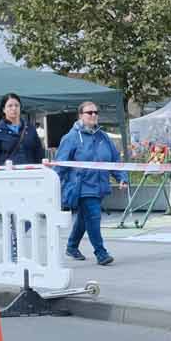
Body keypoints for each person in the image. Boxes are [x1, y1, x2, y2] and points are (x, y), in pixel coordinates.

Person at [54, 100, 124, 266]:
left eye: (96, 112)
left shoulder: (103, 137)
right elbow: (60, 165)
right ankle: (101, 253)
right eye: (89, 112)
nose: (93, 115)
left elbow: (114, 160)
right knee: (93, 216)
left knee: (84, 219)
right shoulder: (71, 138)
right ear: (81, 116)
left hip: (100, 185)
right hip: (81, 187)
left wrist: (122, 177)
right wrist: (53, 186)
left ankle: (71, 246)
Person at [0, 93, 46, 167]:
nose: (14, 108)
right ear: (4, 109)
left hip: (29, 174)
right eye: (10, 106)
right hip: (8, 175)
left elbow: (39, 154)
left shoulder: (30, 128)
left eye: (17, 105)